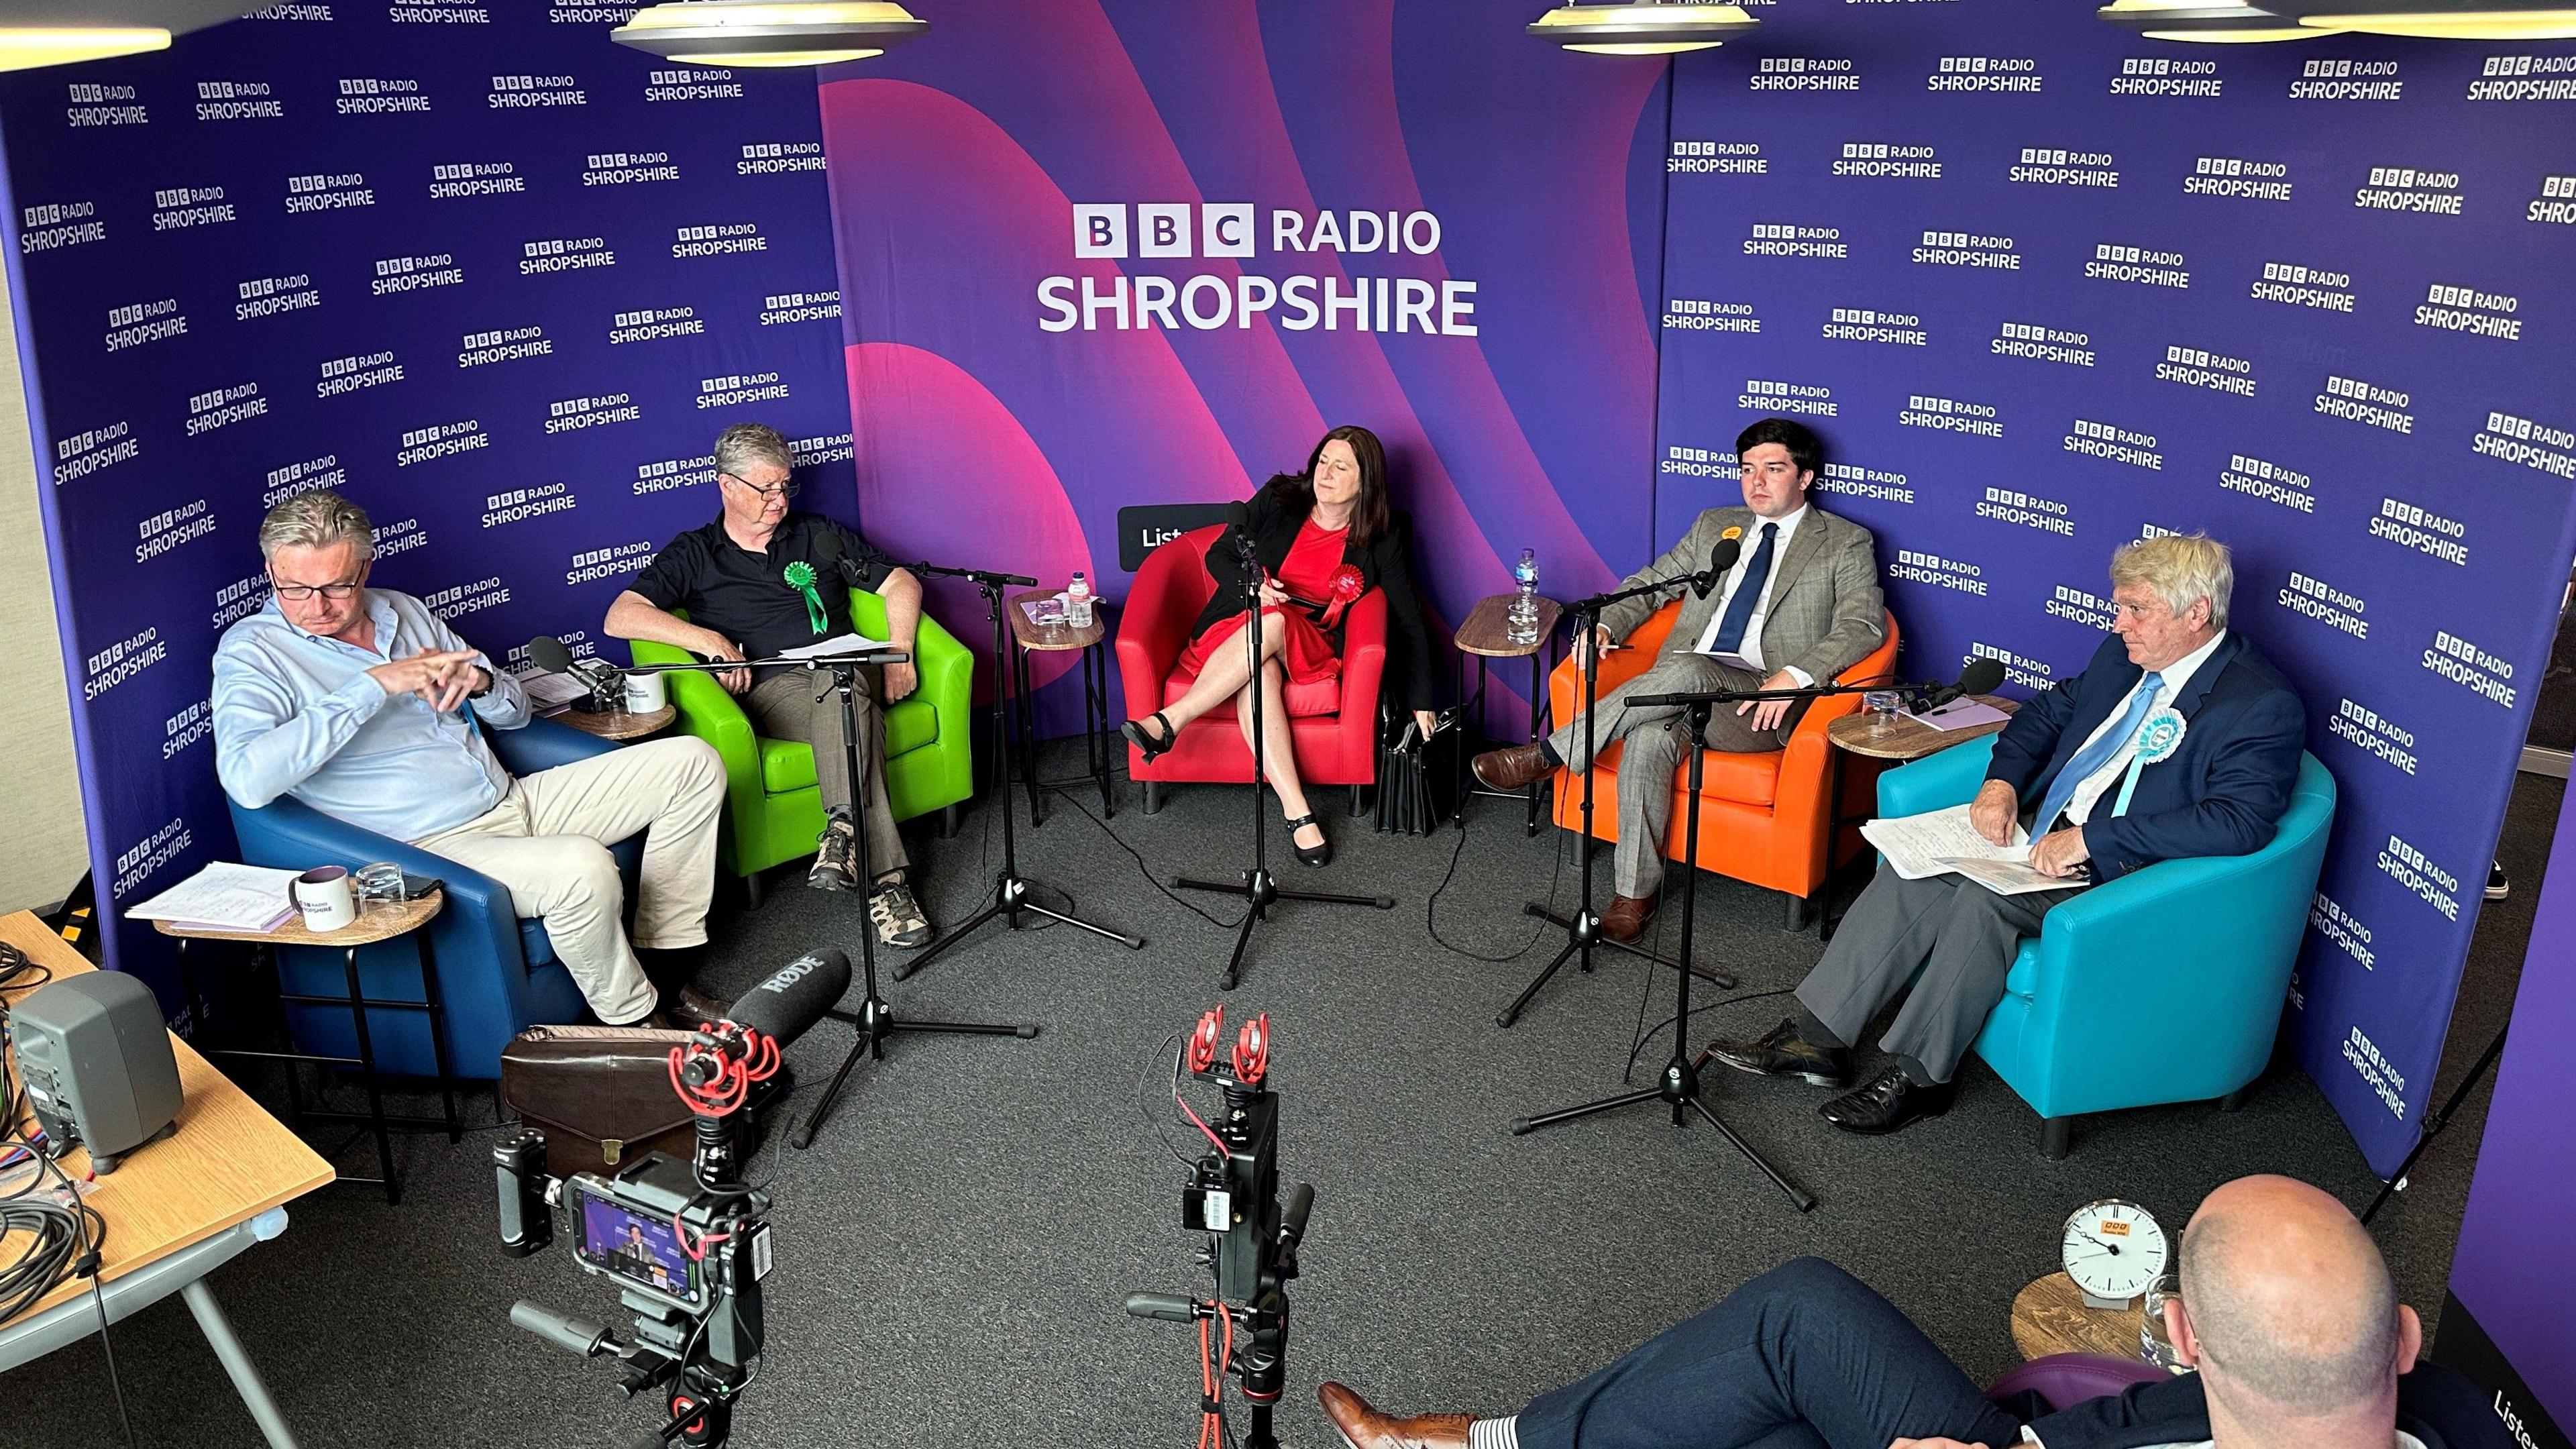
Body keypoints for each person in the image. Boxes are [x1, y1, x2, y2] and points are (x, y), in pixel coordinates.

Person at [1709, 533, 2304, 1136]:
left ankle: (1921, 1077)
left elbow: (2240, 820)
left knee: (1982, 900)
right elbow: (2046, 715)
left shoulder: (2259, 703)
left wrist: (2094, 840)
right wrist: (2000, 784)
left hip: (2123, 870)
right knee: (1917, 869)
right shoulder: (2123, 655)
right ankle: (1818, 1041)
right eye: (2118, 605)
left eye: (2136, 609)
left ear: (2197, 611)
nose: (2118, 622)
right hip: (2040, 830)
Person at [1318, 1174, 2472, 1449]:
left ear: (2178, 1338)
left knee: (1766, 1397)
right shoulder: (2459, 1419)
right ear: (2407, 1340)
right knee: (1795, 1330)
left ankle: (1491, 1445)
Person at [213, 491, 729, 1029]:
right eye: (294, 588)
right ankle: (637, 1022)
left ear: (365, 567)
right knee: (582, 868)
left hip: (509, 797)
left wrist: (482, 686)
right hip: (431, 844)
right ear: (271, 570)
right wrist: (371, 687)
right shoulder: (253, 652)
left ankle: (665, 966)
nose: (317, 606)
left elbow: (514, 714)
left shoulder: (404, 610)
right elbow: (248, 780)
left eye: (337, 586)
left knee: (693, 762)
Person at [1470, 419, 1886, 941]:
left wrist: (1795, 675)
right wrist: (1606, 623)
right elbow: (1651, 585)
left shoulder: (1844, 542)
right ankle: (1632, 896)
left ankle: (1550, 755)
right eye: (1747, 470)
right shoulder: (1717, 524)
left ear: (1804, 478)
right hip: (1678, 693)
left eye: (1773, 469)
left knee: (1687, 666)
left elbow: (1862, 626)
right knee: (1647, 739)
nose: (1756, 482)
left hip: (1758, 703)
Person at [603, 423, 936, 949]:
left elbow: (899, 581)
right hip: (775, 690)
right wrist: (708, 637)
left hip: (849, 668)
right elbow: (621, 616)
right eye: (766, 489)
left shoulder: (817, 534)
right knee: (856, 716)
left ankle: (844, 831)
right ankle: (886, 880)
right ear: (727, 486)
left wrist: (900, 654)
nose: (779, 501)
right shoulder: (696, 553)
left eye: (786, 486)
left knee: (843, 681)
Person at [1121, 425, 1439, 867]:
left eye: (1341, 466)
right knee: (1262, 667)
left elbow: (1407, 616)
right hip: (1241, 623)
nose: (1327, 473)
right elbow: (1220, 554)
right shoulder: (1279, 496)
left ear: (1365, 481)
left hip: (1310, 641)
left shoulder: (1383, 534)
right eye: (1323, 461)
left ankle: (1169, 722)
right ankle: (1298, 812)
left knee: (1270, 628)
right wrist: (1252, 587)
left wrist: (1423, 698)